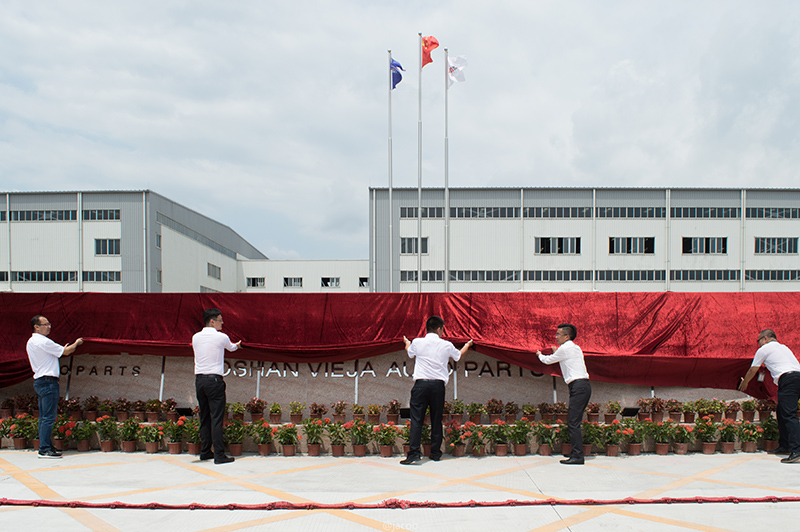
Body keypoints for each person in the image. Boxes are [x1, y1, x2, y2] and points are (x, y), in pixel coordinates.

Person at [400, 316, 473, 465]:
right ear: (439, 329)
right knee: (436, 419)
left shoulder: (418, 342)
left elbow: (409, 352)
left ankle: (413, 453)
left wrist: (406, 343)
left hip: (420, 385)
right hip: (437, 387)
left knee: (416, 420)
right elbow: (458, 356)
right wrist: (468, 344)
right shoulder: (446, 345)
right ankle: (435, 453)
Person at [738, 329, 800, 463]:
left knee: (789, 414)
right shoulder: (783, 348)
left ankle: (797, 449)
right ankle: (785, 445)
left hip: (788, 379)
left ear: (765, 338)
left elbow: (752, 369)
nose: (758, 344)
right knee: (781, 410)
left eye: (758, 340)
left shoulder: (765, 349)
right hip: (796, 377)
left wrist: (746, 382)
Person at [26, 315, 83, 459]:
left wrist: (62, 349)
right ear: (36, 327)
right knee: (48, 417)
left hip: (40, 381)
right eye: (45, 324)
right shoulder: (43, 341)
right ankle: (44, 449)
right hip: (48, 382)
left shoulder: (31, 341)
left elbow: (55, 353)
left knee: (44, 417)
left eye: (49, 324)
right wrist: (77, 343)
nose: (49, 326)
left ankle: (46, 446)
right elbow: (67, 351)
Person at [537, 323, 591, 465]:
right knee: (574, 421)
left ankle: (578, 456)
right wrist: (556, 352)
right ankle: (575, 451)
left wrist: (539, 355)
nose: (556, 337)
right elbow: (563, 358)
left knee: (573, 423)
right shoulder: (575, 348)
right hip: (583, 386)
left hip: (578, 387)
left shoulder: (565, 349)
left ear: (567, 336)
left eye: (558, 334)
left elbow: (548, 360)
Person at [193, 308, 241, 465]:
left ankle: (205, 451)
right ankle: (219, 455)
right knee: (216, 419)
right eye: (220, 320)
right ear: (212, 321)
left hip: (199, 380)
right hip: (214, 380)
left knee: (205, 417)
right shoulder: (221, 337)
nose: (222, 322)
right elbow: (232, 347)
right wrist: (238, 345)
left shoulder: (195, 337)